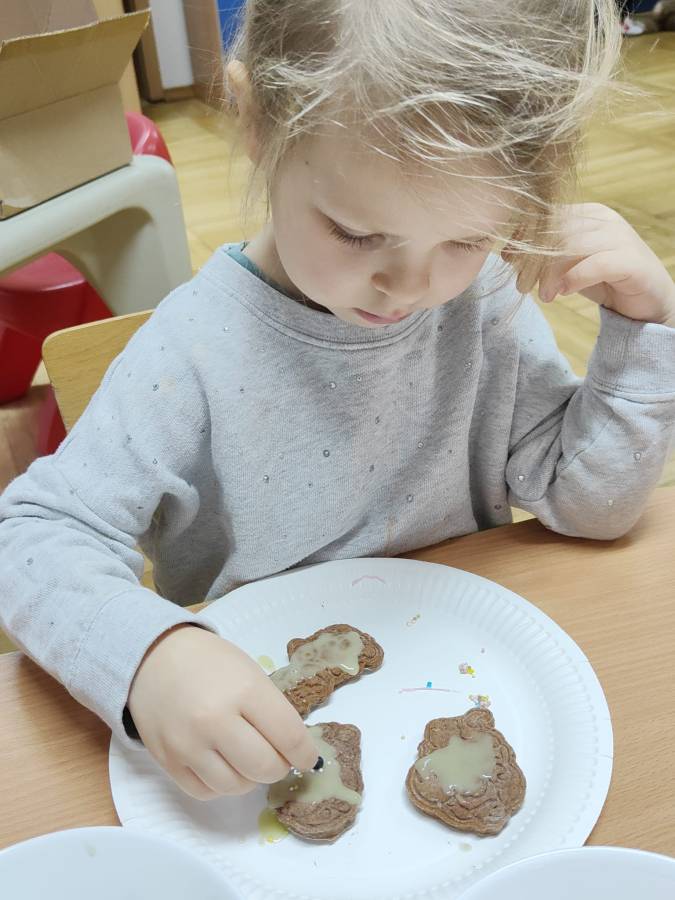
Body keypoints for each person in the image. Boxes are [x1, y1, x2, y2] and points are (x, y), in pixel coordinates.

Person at [1, 0, 674, 803]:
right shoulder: (193, 352)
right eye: (356, 233)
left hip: (456, 674)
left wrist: (642, 332)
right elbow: (34, 535)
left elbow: (592, 507)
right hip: (251, 747)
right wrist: (147, 656)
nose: (409, 287)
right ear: (256, 121)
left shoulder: (483, 300)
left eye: (466, 238)